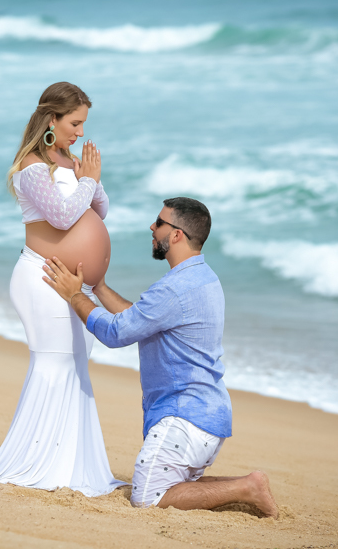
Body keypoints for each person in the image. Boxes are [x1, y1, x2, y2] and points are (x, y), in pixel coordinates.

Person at [43, 196, 279, 517]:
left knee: (147, 498)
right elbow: (138, 319)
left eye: (159, 223)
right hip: (206, 418)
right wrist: (97, 288)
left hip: (185, 420)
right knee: (171, 487)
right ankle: (245, 487)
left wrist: (74, 296)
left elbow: (116, 333)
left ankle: (248, 486)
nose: (152, 228)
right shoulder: (204, 278)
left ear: (177, 234)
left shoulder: (174, 289)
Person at [0, 82, 126, 497]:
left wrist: (92, 182)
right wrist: (89, 181)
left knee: (76, 364)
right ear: (52, 120)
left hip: (69, 283)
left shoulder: (69, 161)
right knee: (54, 363)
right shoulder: (31, 166)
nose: (80, 133)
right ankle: (38, 461)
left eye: (83, 124)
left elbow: (99, 211)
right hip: (41, 278)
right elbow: (63, 217)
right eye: (75, 123)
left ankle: (71, 465)